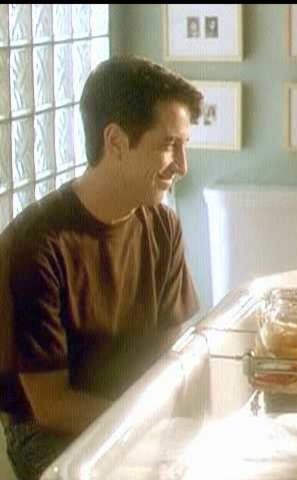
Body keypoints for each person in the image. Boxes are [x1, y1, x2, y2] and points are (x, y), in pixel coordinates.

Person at [0, 56, 203, 480]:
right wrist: (149, 427)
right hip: (52, 437)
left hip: (134, 414)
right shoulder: (34, 246)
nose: (182, 166)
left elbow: (168, 359)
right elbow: (51, 407)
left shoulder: (163, 227)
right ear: (115, 142)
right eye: (169, 145)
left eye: (185, 145)